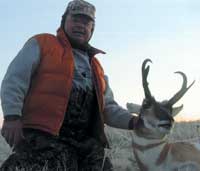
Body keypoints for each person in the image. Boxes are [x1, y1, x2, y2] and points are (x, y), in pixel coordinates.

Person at [0, 0, 140, 170]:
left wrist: (135, 122)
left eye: (86, 22)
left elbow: (108, 108)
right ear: (64, 21)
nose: (80, 25)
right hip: (44, 136)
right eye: (75, 19)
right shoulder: (42, 43)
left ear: (92, 29)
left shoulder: (97, 68)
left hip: (85, 143)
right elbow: (15, 79)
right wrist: (12, 117)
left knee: (103, 165)